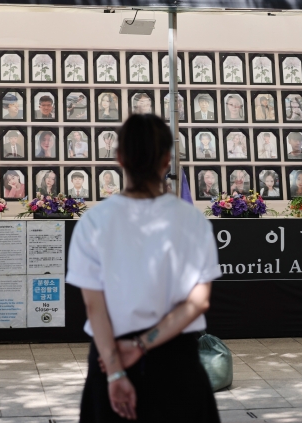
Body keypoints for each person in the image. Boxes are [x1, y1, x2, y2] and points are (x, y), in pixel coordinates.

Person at [66, 114, 221, 423]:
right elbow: (198, 301)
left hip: (108, 358)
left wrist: (115, 374)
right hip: (176, 363)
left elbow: (94, 307)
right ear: (167, 159)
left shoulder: (95, 222)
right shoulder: (191, 221)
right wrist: (140, 345)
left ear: (119, 157)